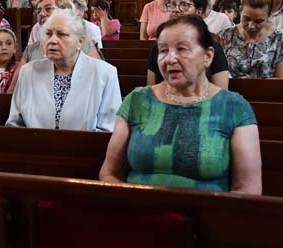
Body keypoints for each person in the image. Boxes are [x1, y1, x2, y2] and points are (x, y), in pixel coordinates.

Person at [100, 15, 261, 194]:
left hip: (208, 210)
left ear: (208, 56)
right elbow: (110, 173)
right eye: (163, 50)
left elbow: (247, 188)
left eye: (182, 49)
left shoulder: (234, 107)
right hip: (139, 208)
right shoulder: (137, 100)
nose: (170, 59)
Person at [6, 8, 121, 131]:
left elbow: (109, 129)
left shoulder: (105, 74)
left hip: (86, 144)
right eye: (48, 34)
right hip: (34, 143)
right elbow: (14, 125)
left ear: (80, 42)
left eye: (61, 34)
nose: (52, 40)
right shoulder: (28, 72)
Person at [147, 0, 229, 89]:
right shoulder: (159, 47)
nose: (176, 10)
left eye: (184, 5)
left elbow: (221, 93)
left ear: (199, 12)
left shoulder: (212, 46)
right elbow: (151, 89)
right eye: (172, 5)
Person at [218, 0, 283, 79]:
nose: (251, 26)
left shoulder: (281, 39)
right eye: (246, 19)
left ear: (269, 15)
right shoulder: (225, 36)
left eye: (258, 21)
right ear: (240, 11)